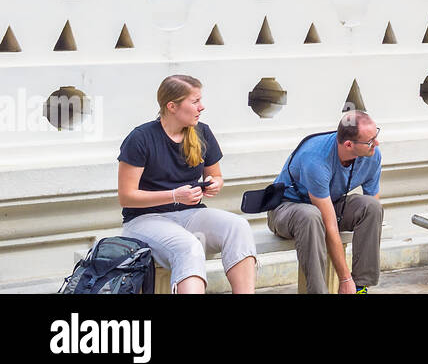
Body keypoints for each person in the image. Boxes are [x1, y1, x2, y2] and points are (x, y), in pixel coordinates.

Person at [117, 75, 257, 293]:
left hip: (191, 214)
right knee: (188, 246)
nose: (202, 107)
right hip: (144, 220)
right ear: (172, 106)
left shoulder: (202, 133)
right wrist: (173, 195)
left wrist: (214, 183)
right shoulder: (140, 138)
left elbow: (216, 176)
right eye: (195, 101)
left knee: (238, 227)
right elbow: (126, 196)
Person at [266, 109, 383, 294]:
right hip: (286, 209)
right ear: (348, 144)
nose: (376, 143)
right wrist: (344, 279)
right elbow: (329, 226)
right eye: (370, 141)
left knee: (372, 208)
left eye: (376, 135)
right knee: (311, 216)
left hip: (331, 205)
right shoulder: (316, 159)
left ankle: (361, 287)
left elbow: (372, 204)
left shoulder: (372, 154)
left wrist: (352, 282)